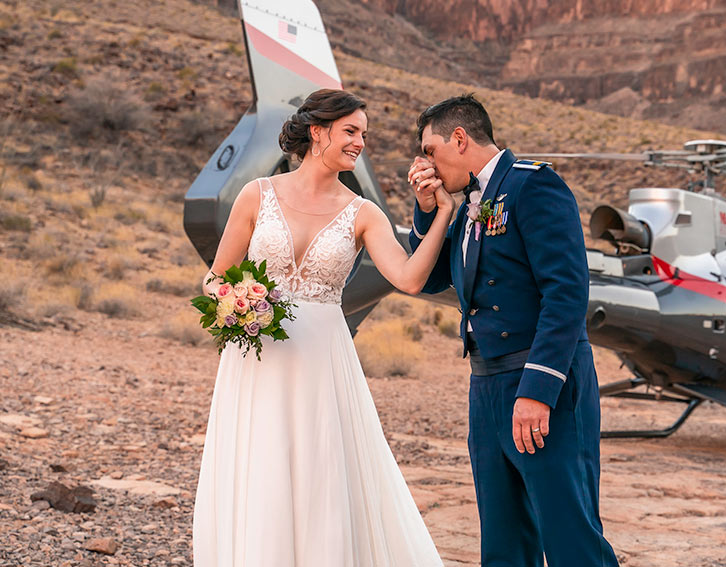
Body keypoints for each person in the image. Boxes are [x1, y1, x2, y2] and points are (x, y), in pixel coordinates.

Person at [192, 88, 451, 567]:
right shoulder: (256, 195)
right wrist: (235, 301)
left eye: (364, 135)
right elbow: (214, 276)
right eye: (351, 131)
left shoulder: (364, 212)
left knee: (319, 472)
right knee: (260, 466)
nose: (360, 143)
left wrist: (442, 216)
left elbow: (410, 279)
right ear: (317, 132)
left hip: (322, 361)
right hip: (257, 356)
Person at [407, 94, 619, 567]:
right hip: (486, 386)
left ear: (459, 139)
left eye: (430, 152)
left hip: (541, 380)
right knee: (503, 541)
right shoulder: (465, 206)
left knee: (569, 536)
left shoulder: (533, 186)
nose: (427, 165)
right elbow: (432, 276)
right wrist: (426, 209)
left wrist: (538, 391)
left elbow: (565, 293)